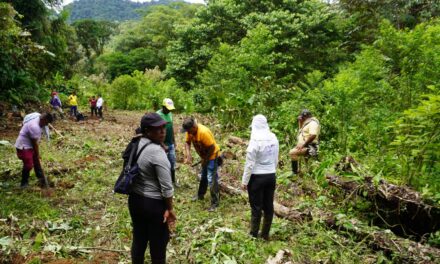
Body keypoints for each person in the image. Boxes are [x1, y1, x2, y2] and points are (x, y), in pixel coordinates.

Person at [129, 113, 176, 264]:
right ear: (147, 131)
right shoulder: (157, 152)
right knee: (158, 245)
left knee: (139, 239)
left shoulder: (137, 142)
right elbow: (167, 188)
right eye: (157, 129)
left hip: (135, 200)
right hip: (153, 205)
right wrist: (169, 209)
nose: (163, 131)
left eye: (163, 127)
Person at [241, 115, 279, 240]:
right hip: (270, 176)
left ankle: (253, 234)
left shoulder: (255, 140)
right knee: (268, 206)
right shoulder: (273, 137)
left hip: (257, 178)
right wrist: (273, 171)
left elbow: (250, 163)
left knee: (256, 207)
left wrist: (244, 181)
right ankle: (265, 234)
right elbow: (276, 157)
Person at [182, 117, 220, 212]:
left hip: (212, 156)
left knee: (211, 178)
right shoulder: (189, 131)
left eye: (189, 130)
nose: (188, 133)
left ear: (194, 127)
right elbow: (187, 142)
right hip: (205, 156)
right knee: (203, 176)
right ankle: (200, 195)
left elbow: (212, 147)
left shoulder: (203, 132)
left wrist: (205, 159)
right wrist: (188, 155)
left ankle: (215, 203)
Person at [15, 113, 54, 188]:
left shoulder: (39, 119)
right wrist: (37, 154)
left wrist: (36, 155)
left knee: (36, 161)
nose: (46, 125)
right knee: (29, 165)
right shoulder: (34, 126)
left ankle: (41, 177)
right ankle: (24, 183)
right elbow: (34, 144)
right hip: (24, 145)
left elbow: (37, 141)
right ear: (43, 119)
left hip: (30, 145)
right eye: (46, 123)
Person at [289, 109, 320, 175]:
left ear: (305, 117)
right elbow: (301, 132)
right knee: (308, 166)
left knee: (292, 152)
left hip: (311, 147)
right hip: (306, 145)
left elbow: (313, 135)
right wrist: (300, 123)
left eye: (302, 117)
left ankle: (294, 173)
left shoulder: (313, 123)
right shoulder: (306, 123)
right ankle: (301, 172)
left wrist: (303, 144)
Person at [157, 98, 178, 187]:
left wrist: (174, 140)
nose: (169, 110)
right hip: (161, 145)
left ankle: (173, 181)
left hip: (170, 143)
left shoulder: (170, 114)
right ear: (163, 106)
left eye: (170, 108)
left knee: (172, 163)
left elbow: (171, 127)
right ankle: (163, 183)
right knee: (163, 165)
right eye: (167, 108)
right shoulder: (157, 115)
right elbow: (156, 132)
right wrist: (162, 144)